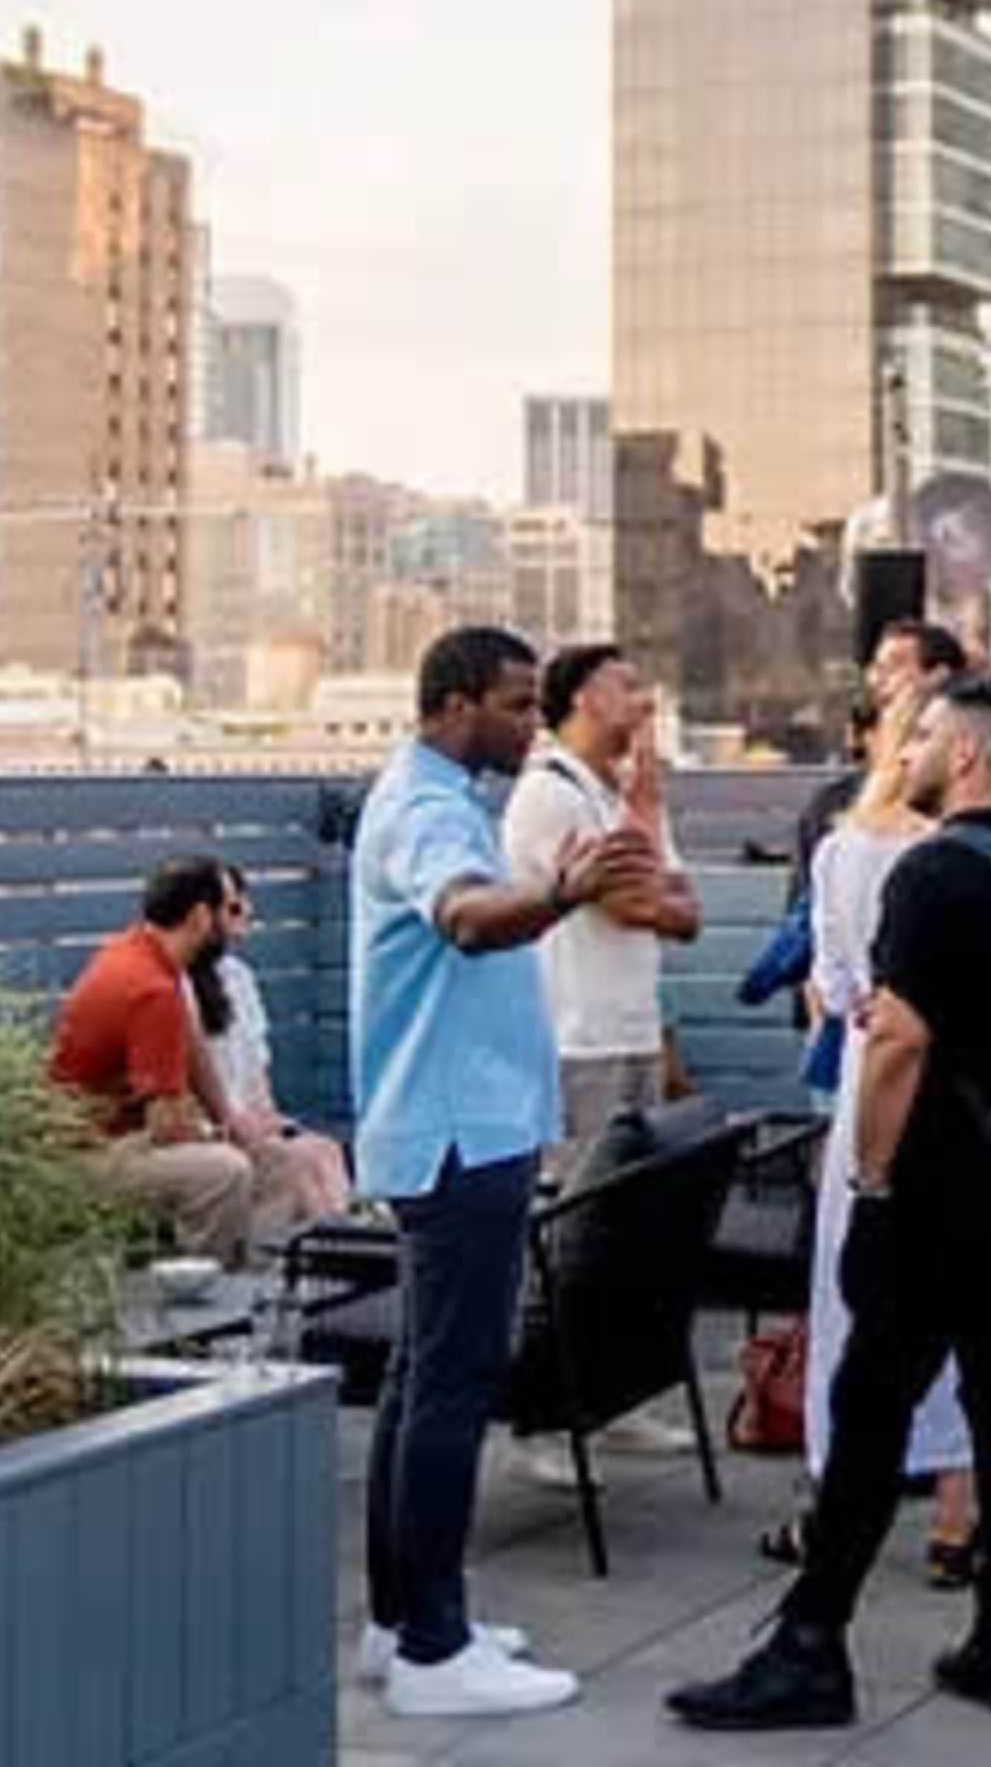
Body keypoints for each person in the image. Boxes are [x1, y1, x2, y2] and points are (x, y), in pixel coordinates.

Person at [668, 679, 991, 1732]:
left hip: (935, 1190)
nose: (911, 752)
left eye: (932, 737)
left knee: (867, 1410)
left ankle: (812, 1646)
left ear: (969, 755)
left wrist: (868, 1179)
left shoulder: (936, 870)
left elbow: (898, 1037)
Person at [352, 626, 653, 1720]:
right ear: (452, 704)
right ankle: (436, 1649)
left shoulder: (441, 796)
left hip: (451, 1127)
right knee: (452, 1386)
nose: (534, 726)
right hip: (455, 1134)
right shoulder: (427, 812)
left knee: (419, 1382)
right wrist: (563, 894)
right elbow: (469, 922)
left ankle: (401, 1624)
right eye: (518, 706)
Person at [788, 684, 979, 1583]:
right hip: (950, 1079)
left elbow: (829, 984)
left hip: (867, 1069)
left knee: (850, 1295)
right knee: (956, 1297)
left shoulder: (839, 851)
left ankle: (834, 1491)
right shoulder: (956, 856)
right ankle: (956, 1506)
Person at [51, 857, 313, 1264]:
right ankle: (205, 1288)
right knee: (223, 1172)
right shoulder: (149, 989)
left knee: (275, 1159)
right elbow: (167, 1125)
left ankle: (255, 1278)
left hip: (120, 1141)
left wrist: (229, 1119)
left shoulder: (144, 952)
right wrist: (217, 1135)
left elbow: (193, 1046)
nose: (234, 923)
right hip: (92, 1154)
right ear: (199, 916)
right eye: (226, 910)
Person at [504, 642, 702, 1169]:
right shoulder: (551, 793)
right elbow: (632, 905)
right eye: (628, 687)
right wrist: (658, 896)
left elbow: (687, 915)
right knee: (581, 1200)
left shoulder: (626, 799)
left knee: (637, 1204)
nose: (646, 704)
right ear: (585, 700)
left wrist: (650, 809)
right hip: (578, 1039)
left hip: (636, 1032)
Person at [197, 863, 352, 1227]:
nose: (247, 913)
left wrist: (269, 1118)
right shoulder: (179, 989)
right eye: (233, 907)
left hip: (251, 1121)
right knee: (297, 1164)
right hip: (215, 1128)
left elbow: (257, 1068)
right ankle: (325, 1246)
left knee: (325, 1151)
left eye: (245, 902)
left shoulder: (238, 977)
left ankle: (344, 1241)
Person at [787, 620, 970, 915]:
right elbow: (803, 916)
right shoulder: (831, 806)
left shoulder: (965, 803)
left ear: (939, 675)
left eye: (895, 665)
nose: (878, 678)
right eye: (876, 666)